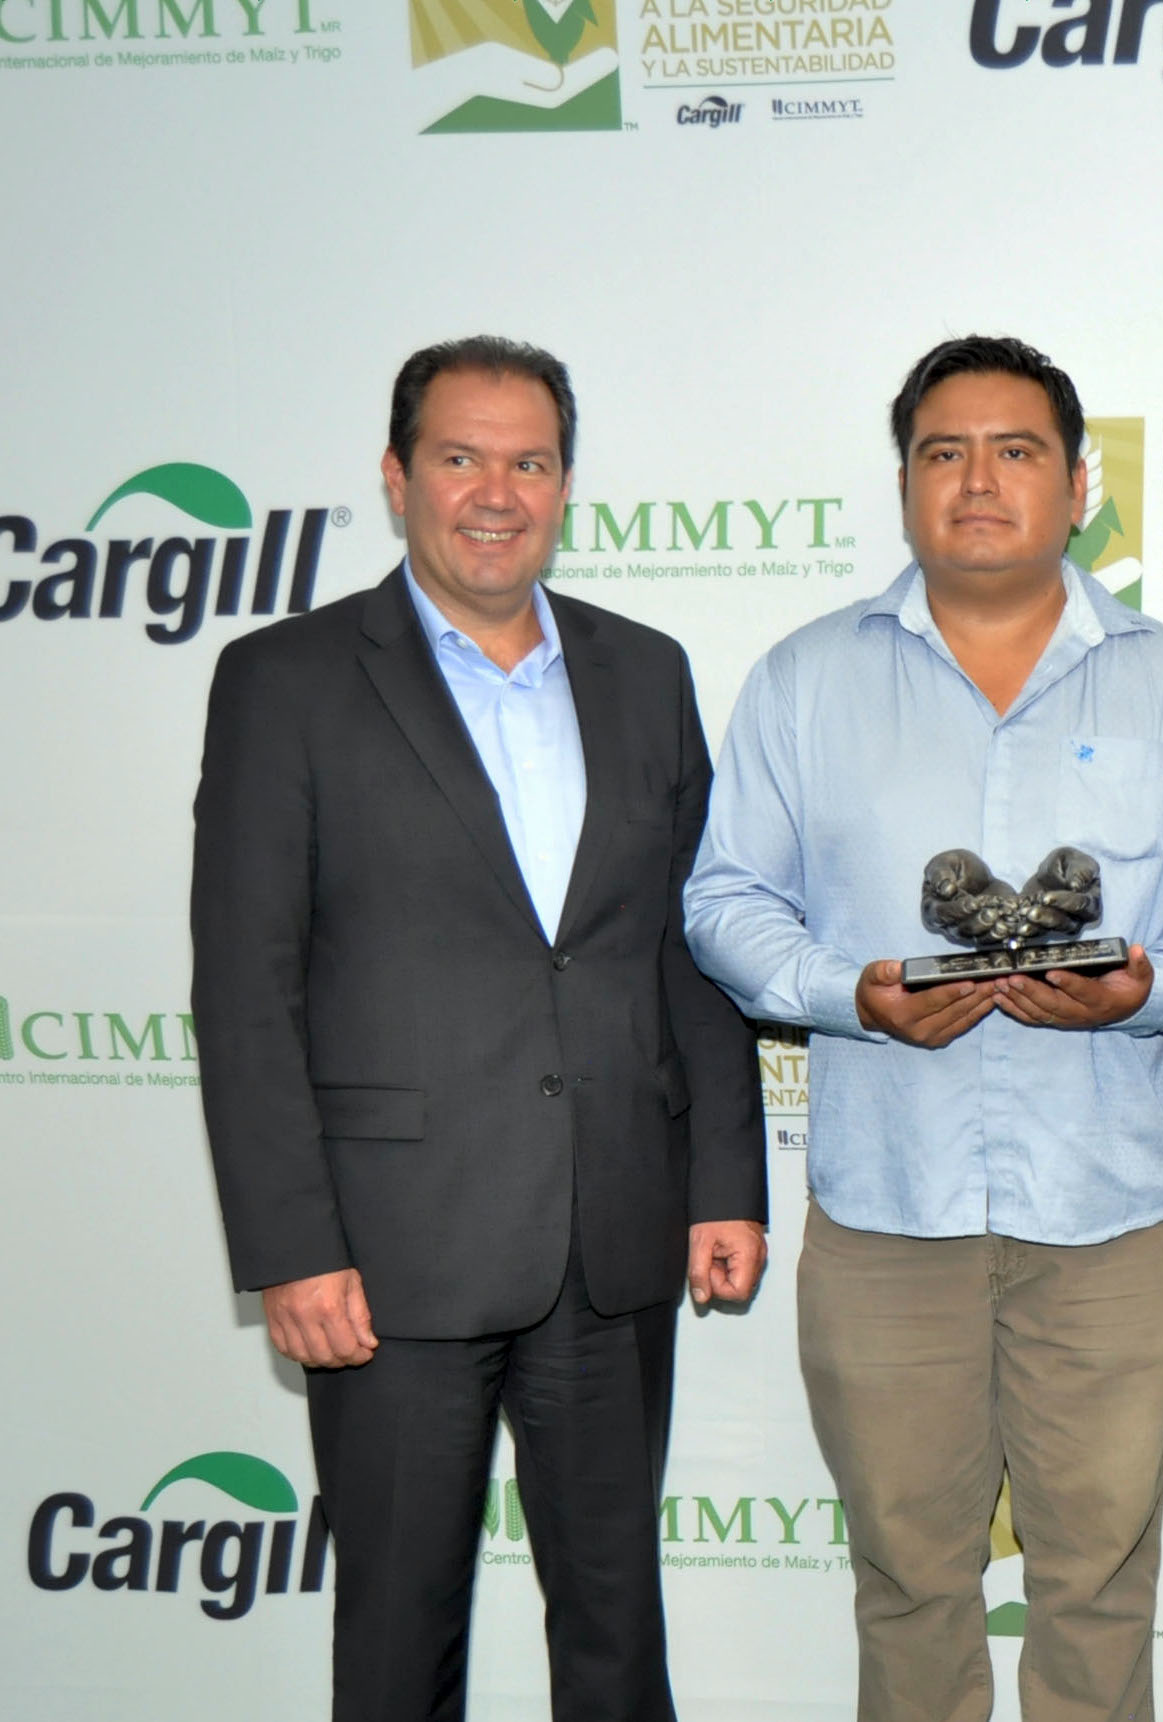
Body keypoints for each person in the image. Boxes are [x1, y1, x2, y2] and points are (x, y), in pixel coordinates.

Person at [193, 335, 769, 1722]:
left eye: (529, 460)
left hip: (612, 1234)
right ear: (397, 480)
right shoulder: (287, 680)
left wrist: (721, 1185)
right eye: (460, 457)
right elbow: (243, 982)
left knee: (618, 1638)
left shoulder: (646, 671)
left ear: (565, 483)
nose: (495, 491)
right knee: (397, 1639)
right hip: (389, 1258)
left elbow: (686, 949)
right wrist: (292, 1243)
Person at [683, 335, 1163, 1722]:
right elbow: (723, 901)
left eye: (1015, 451)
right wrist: (849, 994)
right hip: (889, 1212)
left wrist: (1151, 990)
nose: (979, 480)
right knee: (907, 1576)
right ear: (904, 484)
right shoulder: (806, 680)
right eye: (945, 453)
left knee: (1099, 1579)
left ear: (1076, 483)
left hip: (1108, 1215)